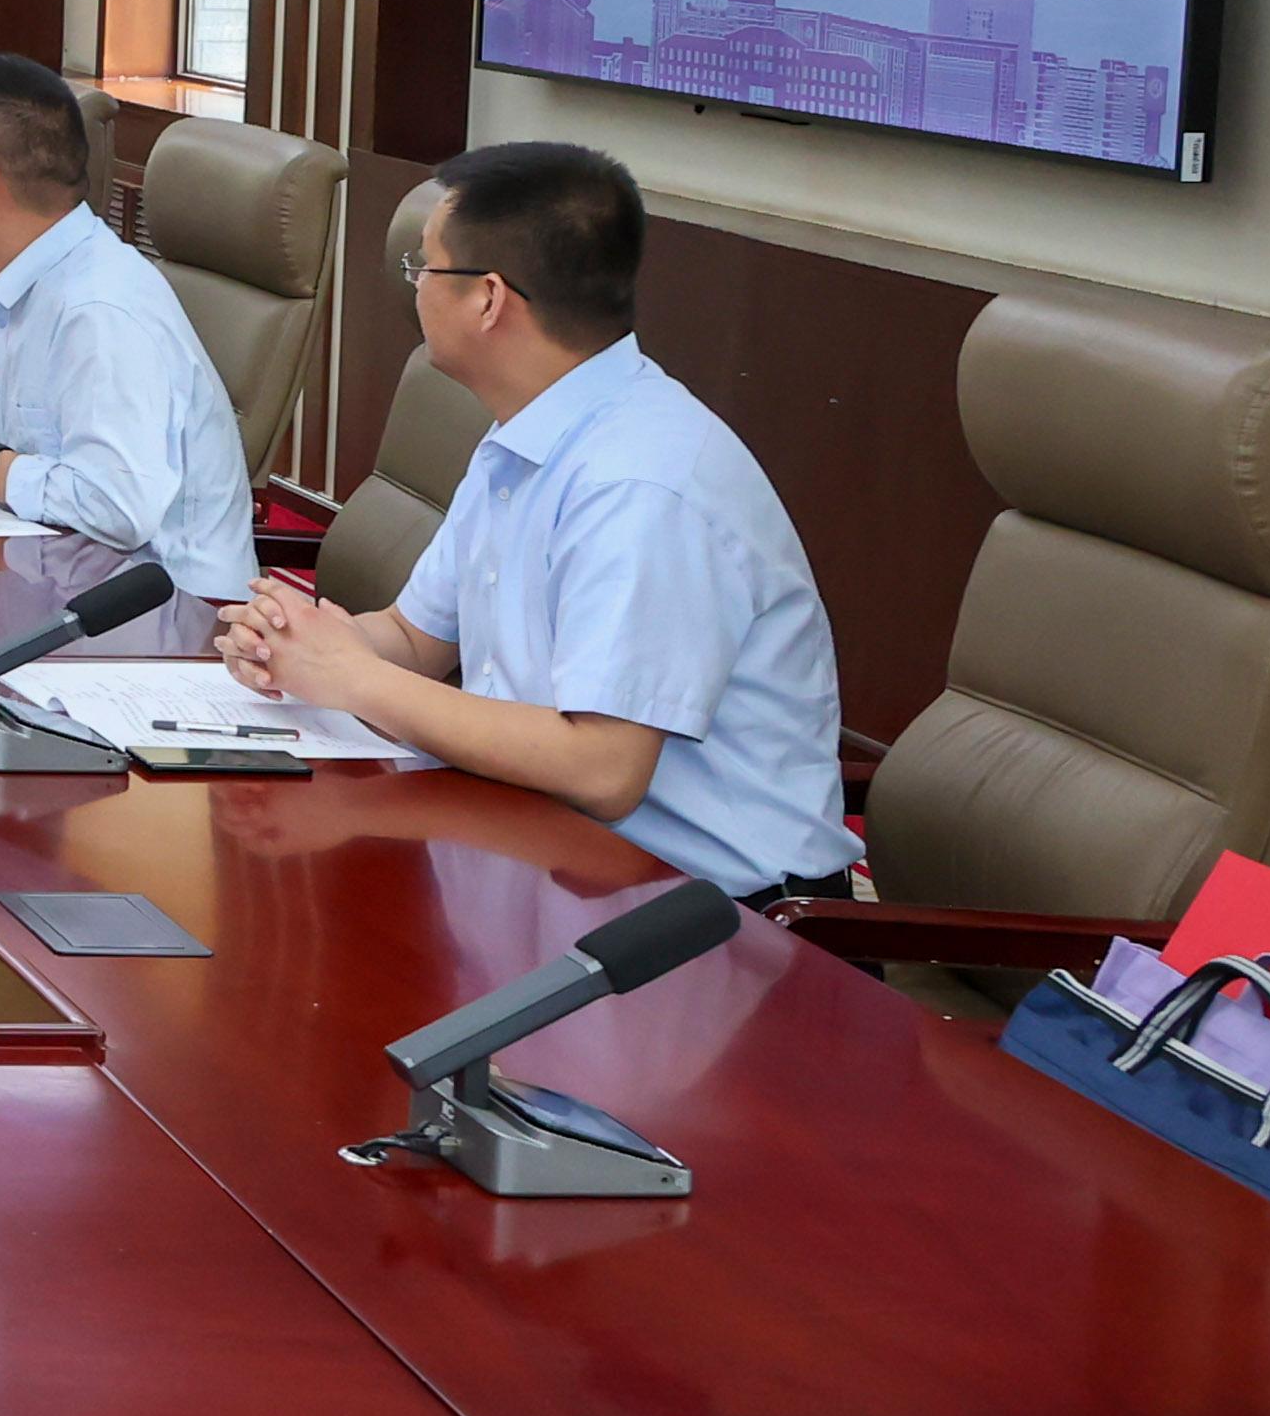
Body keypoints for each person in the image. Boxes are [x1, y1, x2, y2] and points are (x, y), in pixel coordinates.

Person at [220, 141, 856, 902]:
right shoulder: (525, 434)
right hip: (538, 851)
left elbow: (604, 769)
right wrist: (298, 645)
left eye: (424, 267)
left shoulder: (641, 482)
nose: (414, 287)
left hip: (711, 914)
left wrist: (354, 677)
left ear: (488, 299)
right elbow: (417, 639)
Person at [0, 55, 255, 602]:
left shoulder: (102, 311)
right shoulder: (7, 282)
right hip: (45, 575)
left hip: (161, 617)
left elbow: (117, 508)